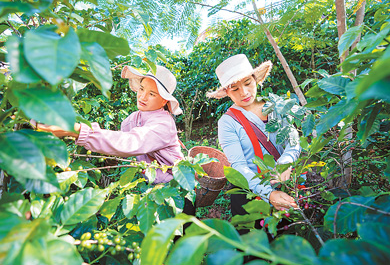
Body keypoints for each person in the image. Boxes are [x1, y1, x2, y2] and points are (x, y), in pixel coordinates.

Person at [33, 65, 184, 185]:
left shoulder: (164, 124)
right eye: (142, 89)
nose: (143, 96)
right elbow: (117, 138)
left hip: (176, 187)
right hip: (150, 184)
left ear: (164, 101)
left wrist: (76, 130)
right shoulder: (133, 118)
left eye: (152, 94)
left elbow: (131, 142)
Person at [207, 54, 301, 224]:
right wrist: (269, 193)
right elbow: (239, 166)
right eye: (234, 89)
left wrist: (285, 163)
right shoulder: (228, 122)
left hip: (284, 186)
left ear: (255, 80)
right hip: (249, 193)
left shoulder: (276, 106)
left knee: (285, 242)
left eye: (248, 83)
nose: (244, 92)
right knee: (253, 245)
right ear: (226, 92)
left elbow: (293, 140)